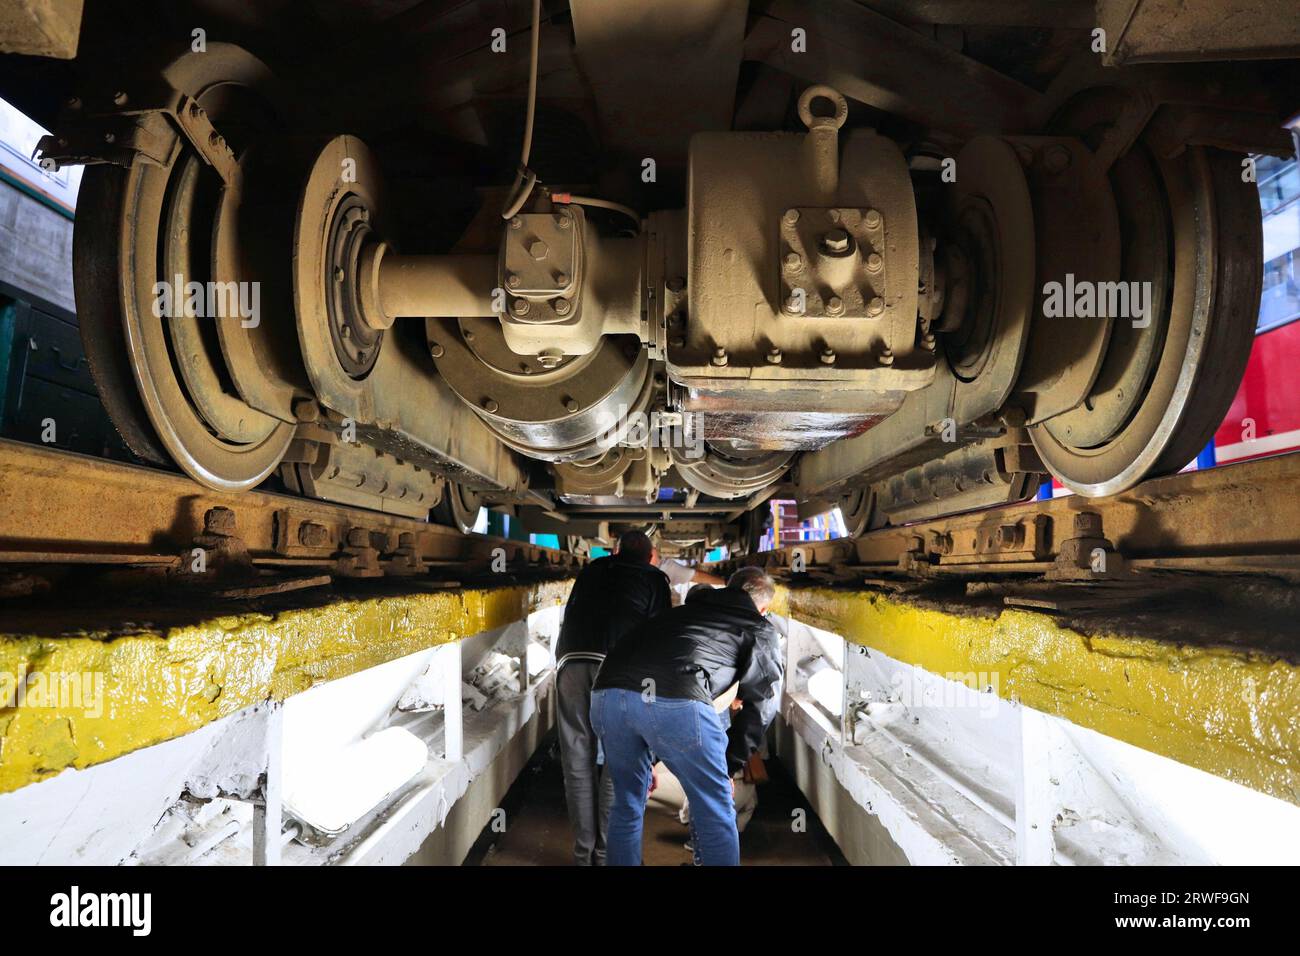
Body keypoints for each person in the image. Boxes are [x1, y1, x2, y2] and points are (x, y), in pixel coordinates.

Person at [591, 566, 782, 866]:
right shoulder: (758, 626)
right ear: (764, 608)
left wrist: (646, 753)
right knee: (715, 807)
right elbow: (762, 704)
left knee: (626, 802)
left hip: (606, 693)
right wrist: (729, 765)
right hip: (675, 698)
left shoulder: (677, 614)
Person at [554, 530, 671, 865]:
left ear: (615, 550)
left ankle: (582, 855)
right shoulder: (654, 578)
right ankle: (607, 855)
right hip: (619, 670)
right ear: (650, 557)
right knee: (621, 762)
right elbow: (658, 636)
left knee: (577, 760)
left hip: (572, 664)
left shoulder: (592, 569)